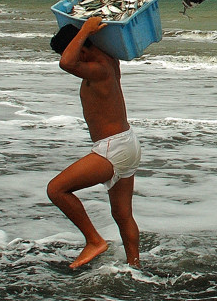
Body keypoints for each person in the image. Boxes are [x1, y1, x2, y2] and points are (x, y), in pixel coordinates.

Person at [47, 17, 141, 268]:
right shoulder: (109, 59)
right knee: (122, 215)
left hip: (114, 148)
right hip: (127, 143)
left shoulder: (99, 68)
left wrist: (86, 29)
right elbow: (72, 57)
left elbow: (66, 62)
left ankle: (94, 240)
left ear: (84, 47)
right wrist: (86, 32)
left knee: (56, 190)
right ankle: (135, 267)